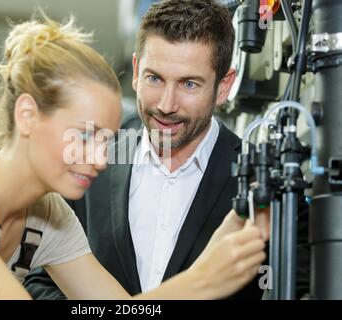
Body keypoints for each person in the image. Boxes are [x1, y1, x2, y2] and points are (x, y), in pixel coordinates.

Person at [0, 13, 267, 300]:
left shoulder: (49, 219)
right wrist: (200, 282)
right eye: (85, 135)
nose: (101, 159)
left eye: (106, 140)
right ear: (27, 114)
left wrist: (210, 263)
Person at [25, 0, 270, 300]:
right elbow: (41, 284)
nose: (166, 105)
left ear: (223, 86)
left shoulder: (263, 180)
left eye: (189, 84)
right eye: (155, 78)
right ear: (137, 71)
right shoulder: (89, 164)